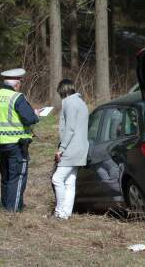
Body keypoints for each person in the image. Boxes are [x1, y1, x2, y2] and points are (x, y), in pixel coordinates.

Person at [0, 68, 40, 212]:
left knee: (6, 176)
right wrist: (36, 114)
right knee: (17, 177)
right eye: (20, 83)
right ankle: (13, 210)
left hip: (0, 143)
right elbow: (29, 119)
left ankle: (5, 205)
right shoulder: (17, 97)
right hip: (17, 143)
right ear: (16, 84)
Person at [52, 79, 88, 220]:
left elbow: (70, 129)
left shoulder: (70, 103)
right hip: (81, 149)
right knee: (69, 182)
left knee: (57, 179)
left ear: (63, 91)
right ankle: (66, 213)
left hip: (71, 149)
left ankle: (59, 212)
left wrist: (61, 149)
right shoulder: (81, 102)